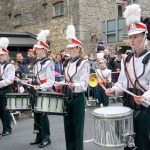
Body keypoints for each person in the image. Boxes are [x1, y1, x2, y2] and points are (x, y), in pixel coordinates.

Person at [106, 4, 150, 150]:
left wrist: (145, 97)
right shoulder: (127, 59)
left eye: (135, 37)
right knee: (128, 145)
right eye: (130, 37)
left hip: (145, 110)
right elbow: (122, 82)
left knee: (143, 144)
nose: (132, 41)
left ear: (145, 37)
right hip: (128, 107)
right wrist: (115, 90)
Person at [55, 25, 90, 150]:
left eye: (72, 48)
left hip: (77, 97)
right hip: (67, 97)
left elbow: (84, 84)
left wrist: (74, 86)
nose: (70, 50)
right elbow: (67, 79)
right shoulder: (67, 63)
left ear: (78, 48)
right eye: (68, 48)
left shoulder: (84, 63)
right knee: (68, 128)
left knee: (77, 129)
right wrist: (61, 83)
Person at [29, 30, 55, 148]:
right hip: (36, 90)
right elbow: (37, 78)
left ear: (44, 50)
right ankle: (38, 136)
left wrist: (41, 86)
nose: (36, 51)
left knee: (43, 115)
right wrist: (30, 81)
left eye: (39, 49)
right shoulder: (37, 63)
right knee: (36, 115)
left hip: (43, 91)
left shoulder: (48, 63)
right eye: (36, 49)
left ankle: (46, 138)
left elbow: (51, 81)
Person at [0, 37, 15, 136]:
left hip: (6, 89)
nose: (0, 57)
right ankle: (4, 128)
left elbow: (10, 79)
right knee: (0, 110)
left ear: (6, 55)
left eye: (1, 55)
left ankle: (8, 128)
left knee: (5, 110)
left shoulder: (10, 66)